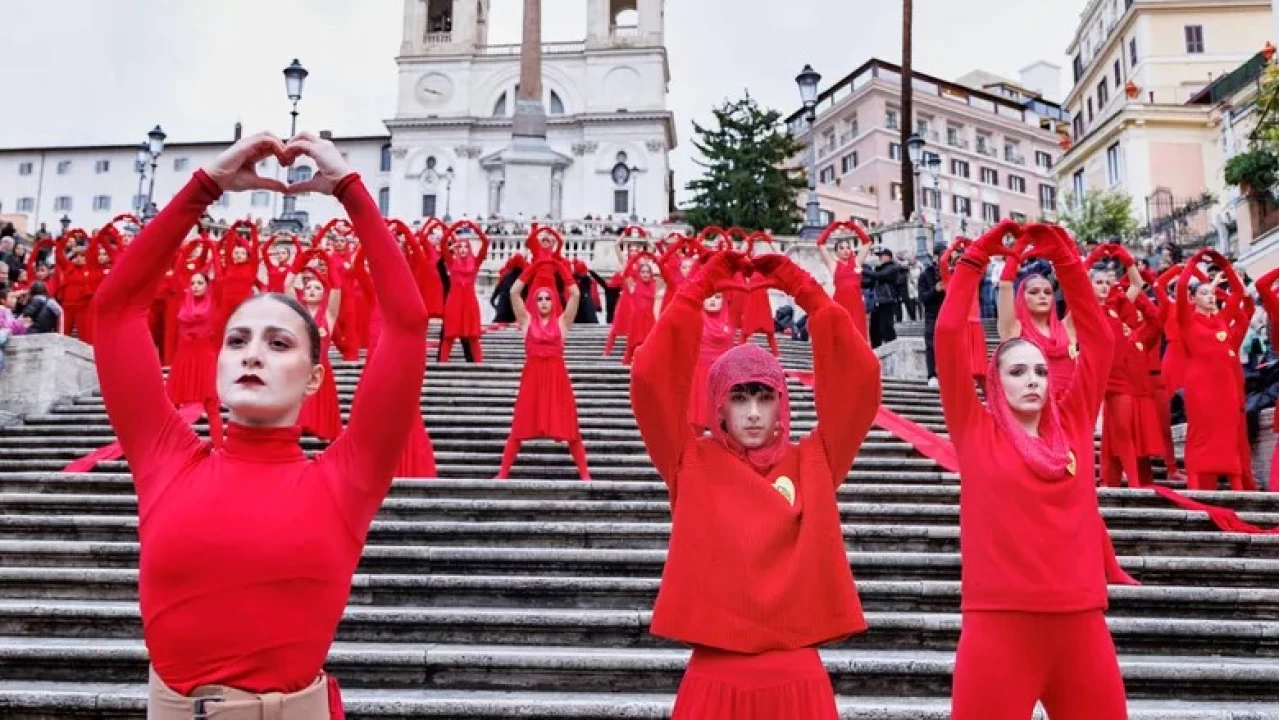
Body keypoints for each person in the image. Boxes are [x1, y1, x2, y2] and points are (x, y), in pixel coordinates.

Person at [90, 131, 428, 717]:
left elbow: (405, 324)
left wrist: (350, 189)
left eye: (278, 343)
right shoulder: (165, 457)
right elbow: (115, 310)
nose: (252, 354)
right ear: (217, 362)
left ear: (316, 377)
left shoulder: (347, 479)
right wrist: (206, 187)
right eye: (238, 340)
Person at [631, 250, 880, 719]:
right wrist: (700, 286)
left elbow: (860, 376)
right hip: (714, 678)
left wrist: (800, 286)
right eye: (739, 396)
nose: (751, 412)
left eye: (764, 397)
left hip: (797, 679)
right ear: (718, 404)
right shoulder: (690, 459)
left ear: (781, 404)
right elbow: (649, 375)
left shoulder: (815, 460)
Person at [937, 221, 1131, 720]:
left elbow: (1100, 340)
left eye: (1041, 370)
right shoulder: (976, 430)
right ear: (995, 380)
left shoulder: (1073, 419)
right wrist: (977, 259)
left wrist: (1067, 259)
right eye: (1017, 371)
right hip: (999, 626)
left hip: (1081, 622)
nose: (1033, 380)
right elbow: (947, 334)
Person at [497, 259, 590, 480]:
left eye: (548, 298)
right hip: (532, 379)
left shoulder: (562, 323)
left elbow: (575, 294)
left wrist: (560, 269)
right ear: (535, 302)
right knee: (520, 425)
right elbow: (513, 293)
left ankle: (585, 474)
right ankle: (503, 472)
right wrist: (533, 268)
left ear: (554, 300)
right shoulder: (526, 321)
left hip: (557, 379)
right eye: (540, 299)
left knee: (570, 428)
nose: (544, 302)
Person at [1176, 248, 1253, 490]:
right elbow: (1180, 289)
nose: (1211, 297)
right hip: (1200, 385)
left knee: (1229, 432)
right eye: (1204, 293)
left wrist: (1223, 265)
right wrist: (1193, 262)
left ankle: (1237, 486)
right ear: (1193, 298)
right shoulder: (1187, 320)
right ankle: (1197, 484)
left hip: (1226, 385)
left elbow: (1239, 292)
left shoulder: (1220, 319)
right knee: (1201, 431)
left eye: (1212, 294)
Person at [997, 250, 1077, 398]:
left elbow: (1082, 294)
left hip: (1068, 408)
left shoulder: (1067, 327)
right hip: (1032, 407)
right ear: (1021, 297)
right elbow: (1005, 285)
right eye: (1034, 292)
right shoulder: (1014, 329)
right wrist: (1016, 251)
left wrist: (1064, 251)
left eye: (1047, 292)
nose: (1042, 296)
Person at [164, 271, 226, 448]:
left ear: (208, 285)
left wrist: (210, 245)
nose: (196, 286)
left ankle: (219, 447)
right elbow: (177, 271)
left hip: (205, 357)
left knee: (211, 404)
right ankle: (171, 445)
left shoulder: (214, 301)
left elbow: (220, 278)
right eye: (193, 283)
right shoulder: (183, 302)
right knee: (172, 404)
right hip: (184, 357)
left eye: (200, 283)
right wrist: (186, 251)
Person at [288, 249, 343, 441]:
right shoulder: (297, 313)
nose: (311, 290)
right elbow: (287, 285)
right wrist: (300, 261)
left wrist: (328, 260)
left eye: (317, 288)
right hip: (300, 368)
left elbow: (337, 289)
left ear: (323, 294)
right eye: (308, 287)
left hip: (321, 370)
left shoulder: (328, 315)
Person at [439, 221, 489, 363]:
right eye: (459, 246)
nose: (462, 249)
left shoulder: (476, 262)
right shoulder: (451, 261)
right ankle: (442, 365)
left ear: (469, 249)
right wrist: (455, 226)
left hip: (469, 302)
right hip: (454, 302)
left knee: (473, 337)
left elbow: (485, 242)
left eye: (465, 246)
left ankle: (480, 366)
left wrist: (474, 227)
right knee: (449, 337)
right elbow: (443, 242)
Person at [816, 222, 871, 339]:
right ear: (836, 252)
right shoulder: (833, 265)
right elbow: (820, 243)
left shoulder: (856, 262)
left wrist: (853, 227)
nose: (846, 250)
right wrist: (833, 226)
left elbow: (867, 242)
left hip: (856, 304)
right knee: (842, 335)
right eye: (842, 248)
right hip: (840, 303)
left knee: (858, 335)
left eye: (848, 248)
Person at [919, 243, 946, 388]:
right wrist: (935, 289)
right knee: (931, 345)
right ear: (936, 257)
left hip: (949, 315)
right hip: (932, 315)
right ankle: (932, 375)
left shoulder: (952, 271)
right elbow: (922, 298)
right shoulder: (925, 275)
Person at [862, 248, 900, 348]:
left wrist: (863, 270)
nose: (880, 258)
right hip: (877, 302)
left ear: (889, 256)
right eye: (879, 256)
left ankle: (893, 349)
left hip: (887, 301)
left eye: (882, 255)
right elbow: (870, 282)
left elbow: (880, 276)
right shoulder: (879, 269)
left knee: (886, 328)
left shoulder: (893, 267)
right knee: (874, 330)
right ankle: (876, 352)